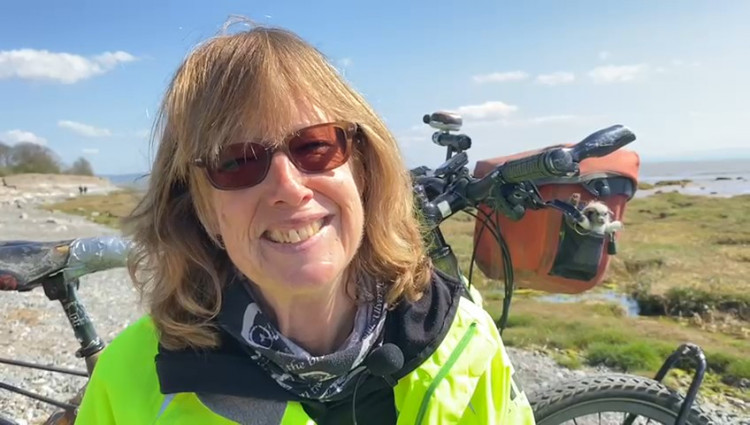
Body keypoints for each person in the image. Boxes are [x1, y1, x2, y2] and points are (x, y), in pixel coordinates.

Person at [75, 22, 536, 425]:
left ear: (364, 172)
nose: (289, 187)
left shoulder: (466, 342)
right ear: (200, 207)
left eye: (315, 146)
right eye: (237, 161)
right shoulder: (129, 379)